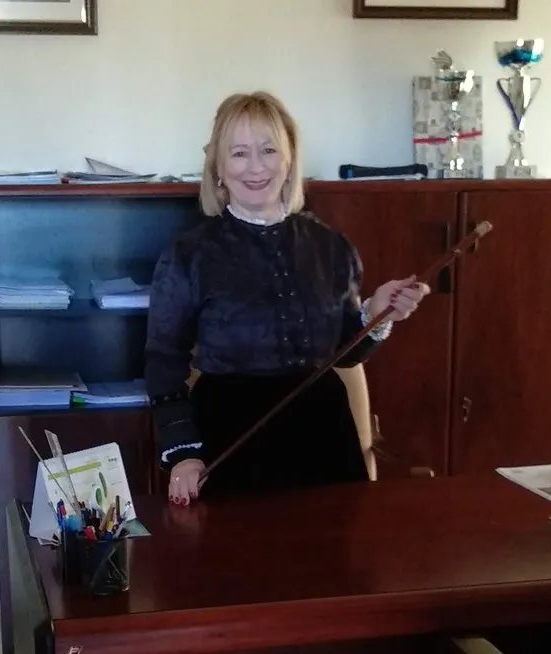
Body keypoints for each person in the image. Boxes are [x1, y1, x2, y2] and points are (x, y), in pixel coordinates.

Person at [145, 91, 429, 506]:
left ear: (289, 159)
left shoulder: (331, 246)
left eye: (268, 150)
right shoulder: (189, 254)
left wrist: (377, 312)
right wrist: (184, 455)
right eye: (239, 153)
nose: (255, 167)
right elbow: (163, 362)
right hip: (229, 434)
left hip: (323, 432)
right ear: (219, 167)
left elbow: (345, 353)